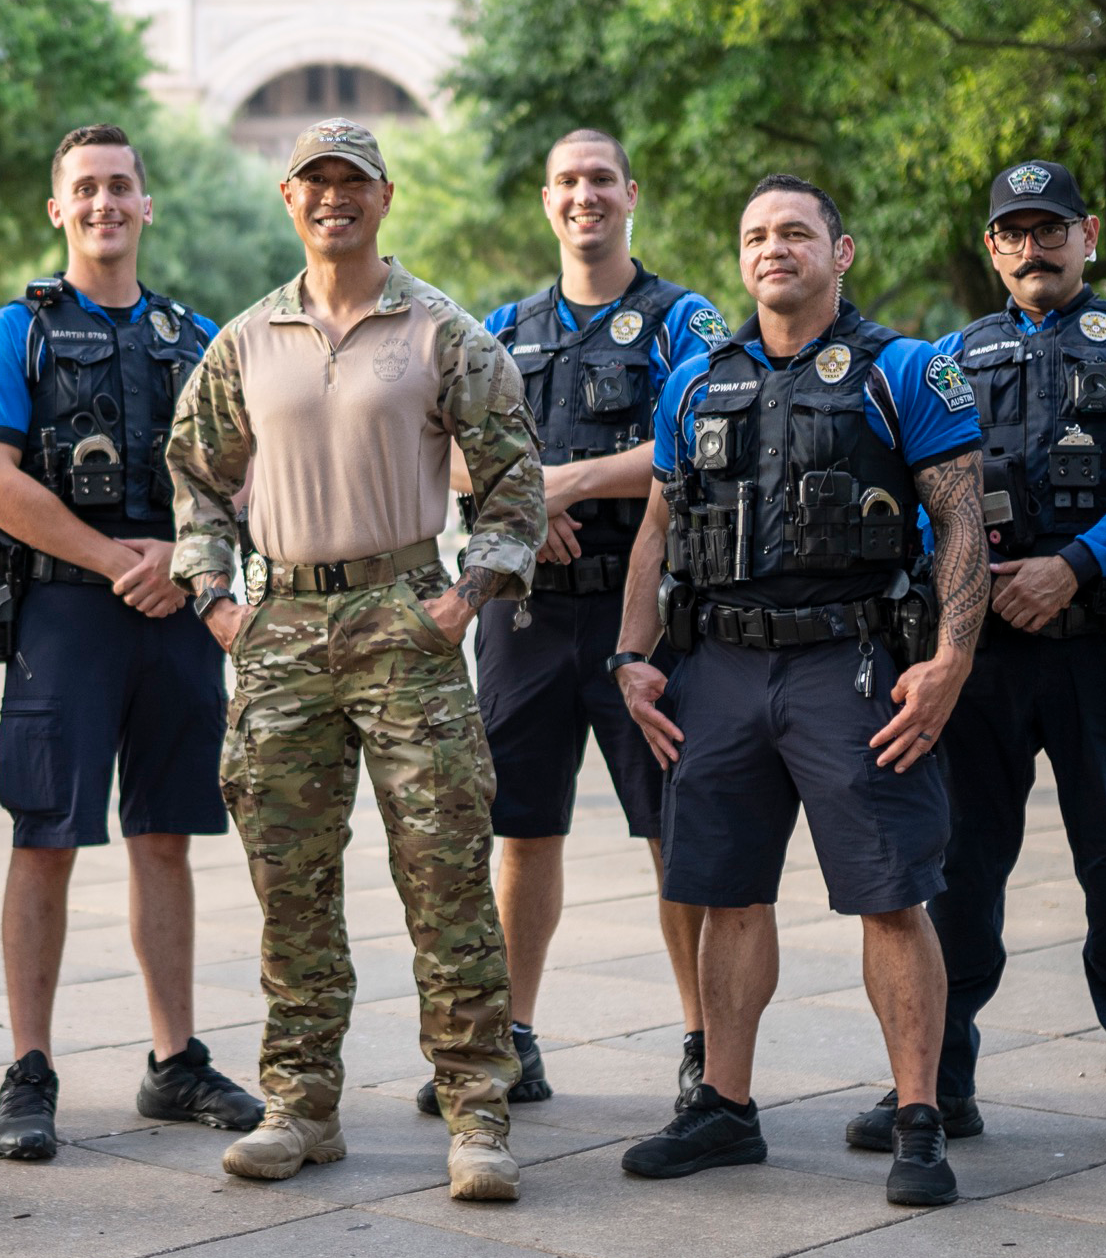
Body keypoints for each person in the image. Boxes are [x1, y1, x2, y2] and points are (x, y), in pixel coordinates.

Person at [168, 117, 544, 1202]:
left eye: (356, 182)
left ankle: (478, 1112)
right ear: (289, 197)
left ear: (385, 198)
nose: (336, 197)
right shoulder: (244, 340)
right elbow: (195, 473)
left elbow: (515, 475)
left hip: (403, 620)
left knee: (445, 874)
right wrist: (214, 600)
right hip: (279, 627)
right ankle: (299, 1105)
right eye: (316, 181)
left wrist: (467, 596)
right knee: (290, 882)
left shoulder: (440, 331)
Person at [842, 158, 1106, 1165]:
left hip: (1103, 649)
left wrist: (1078, 562)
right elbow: (901, 487)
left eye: (1051, 227)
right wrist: (963, 591)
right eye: (1013, 231)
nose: (1033, 246)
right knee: (960, 874)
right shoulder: (943, 357)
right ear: (992, 247)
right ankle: (938, 1084)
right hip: (978, 665)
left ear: (1087, 233)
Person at [607, 174, 990, 1207]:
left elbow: (960, 523)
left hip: (851, 663)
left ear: (841, 249)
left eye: (795, 232)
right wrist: (633, 656)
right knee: (723, 893)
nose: (773, 249)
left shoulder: (906, 369)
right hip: (718, 668)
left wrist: (950, 660)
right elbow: (657, 528)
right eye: (755, 236)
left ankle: (919, 1118)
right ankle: (725, 1108)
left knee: (891, 896)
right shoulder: (694, 381)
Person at [0, 124, 265, 1160]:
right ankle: (30, 1065)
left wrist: (184, 559)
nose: (104, 204)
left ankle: (174, 1062)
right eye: (84, 189)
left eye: (120, 187)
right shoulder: (18, 331)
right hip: (67, 616)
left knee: (166, 835)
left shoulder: (201, 337)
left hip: (176, 616)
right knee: (45, 835)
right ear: (58, 210)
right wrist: (113, 558)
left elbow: (248, 470)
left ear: (147, 203)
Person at [453, 128, 729, 1117]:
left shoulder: (679, 318)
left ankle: (706, 1043)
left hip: (642, 614)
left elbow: (703, 432)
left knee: (673, 832)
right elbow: (443, 449)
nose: (585, 196)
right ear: (546, 198)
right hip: (527, 619)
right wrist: (524, 501)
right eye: (568, 181)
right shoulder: (501, 327)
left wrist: (556, 480)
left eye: (601, 179)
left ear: (631, 194)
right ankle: (512, 1037)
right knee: (521, 832)